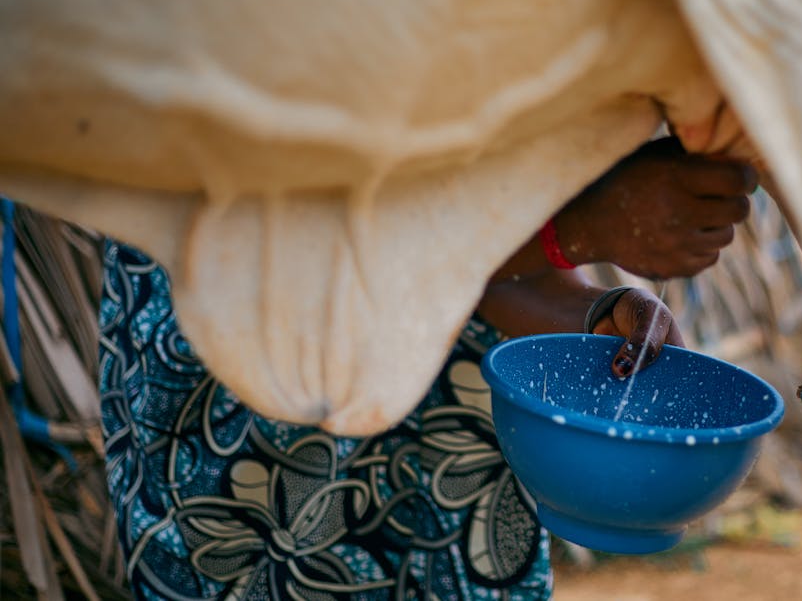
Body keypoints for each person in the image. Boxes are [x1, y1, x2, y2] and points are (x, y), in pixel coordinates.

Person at [98, 137, 756, 600]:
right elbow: (295, 255)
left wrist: (599, 311)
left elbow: (490, 269)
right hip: (251, 452)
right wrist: (580, 223)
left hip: (441, 490)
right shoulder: (262, 44)